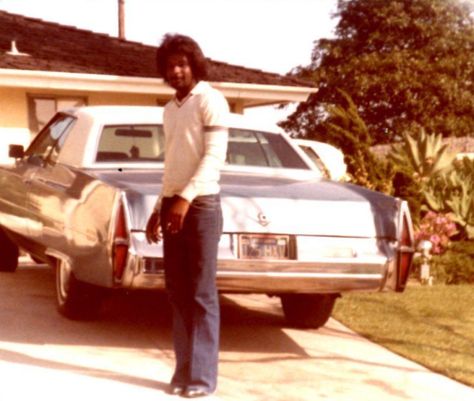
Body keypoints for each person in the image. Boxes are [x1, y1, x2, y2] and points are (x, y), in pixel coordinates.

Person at [145, 33, 229, 398]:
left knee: (201, 295)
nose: (177, 71)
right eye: (170, 66)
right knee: (177, 293)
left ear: (195, 65)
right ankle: (183, 373)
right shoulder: (170, 108)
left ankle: (202, 380)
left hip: (202, 208)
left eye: (183, 64)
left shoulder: (211, 101)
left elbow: (213, 158)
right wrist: (158, 207)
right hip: (173, 203)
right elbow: (172, 164)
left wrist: (184, 200)